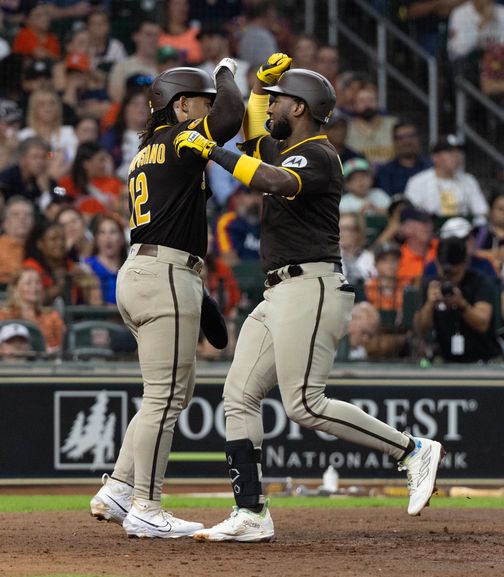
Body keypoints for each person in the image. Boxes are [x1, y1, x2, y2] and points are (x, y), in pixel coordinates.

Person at [172, 57, 445, 541]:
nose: (272, 106)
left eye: (278, 100)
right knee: (238, 396)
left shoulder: (318, 153)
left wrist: (212, 152)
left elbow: (271, 179)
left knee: (303, 403)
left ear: (298, 106)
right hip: (280, 290)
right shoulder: (287, 146)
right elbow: (256, 145)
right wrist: (256, 89)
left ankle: (411, 450)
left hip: (312, 285)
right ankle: (251, 513)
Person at [88, 59, 244, 538]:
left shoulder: (147, 150)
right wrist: (224, 72)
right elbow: (231, 117)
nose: (209, 109)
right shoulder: (179, 137)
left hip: (142, 271)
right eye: (202, 101)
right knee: (164, 399)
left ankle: (118, 488)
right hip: (165, 273)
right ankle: (146, 507)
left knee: (163, 395)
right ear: (180, 105)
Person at [413, 236, 500, 363]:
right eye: (446, 273)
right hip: (444, 357)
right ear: (437, 263)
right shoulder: (430, 284)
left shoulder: (480, 282)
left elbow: (482, 324)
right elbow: (419, 328)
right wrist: (430, 304)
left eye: (455, 274)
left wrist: (462, 304)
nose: (451, 279)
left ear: (466, 263)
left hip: (482, 357)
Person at [403, 135, 488, 220]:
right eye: (450, 152)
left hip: (463, 229)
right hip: (430, 230)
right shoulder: (417, 182)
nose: (456, 155)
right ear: (435, 157)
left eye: (458, 151)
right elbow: (410, 216)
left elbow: (481, 212)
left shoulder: (469, 180)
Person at [0, 268, 65, 353]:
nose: (34, 287)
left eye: (37, 283)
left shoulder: (52, 316)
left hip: (46, 362)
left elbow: (61, 345)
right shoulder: (3, 315)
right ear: (15, 288)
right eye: (28, 283)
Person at [374, 120, 432, 196]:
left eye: (411, 136)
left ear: (418, 139)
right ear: (394, 142)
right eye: (401, 138)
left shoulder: (430, 167)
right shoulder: (384, 172)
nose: (407, 141)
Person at [85, 215, 128, 306]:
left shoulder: (131, 268)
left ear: (122, 239)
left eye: (113, 232)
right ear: (96, 239)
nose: (108, 237)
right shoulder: (87, 267)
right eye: (102, 232)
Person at [472, 191, 504, 273]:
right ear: (490, 211)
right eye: (501, 209)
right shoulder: (477, 232)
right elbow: (469, 254)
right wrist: (494, 254)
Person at [215, 187, 261, 266]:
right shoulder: (229, 222)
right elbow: (229, 260)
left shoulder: (272, 222)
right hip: (242, 275)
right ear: (237, 198)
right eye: (249, 194)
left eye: (259, 194)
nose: (255, 200)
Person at [0, 197, 35, 284]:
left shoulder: (41, 247)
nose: (22, 219)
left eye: (27, 215)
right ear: (5, 223)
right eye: (15, 214)